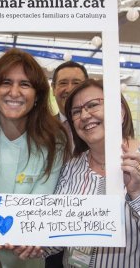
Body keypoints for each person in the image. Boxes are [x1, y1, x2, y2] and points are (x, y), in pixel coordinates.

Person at [44, 78, 140, 267]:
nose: (84, 115)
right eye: (76, 112)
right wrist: (33, 244)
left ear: (121, 112)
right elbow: (58, 236)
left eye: (92, 105)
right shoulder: (71, 168)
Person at [0, 48, 71, 268]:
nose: (14, 92)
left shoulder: (54, 141)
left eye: (25, 84)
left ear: (37, 95)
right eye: (6, 82)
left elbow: (38, 206)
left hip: (24, 257)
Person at [47, 61, 88, 268]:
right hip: (46, 229)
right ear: (53, 89)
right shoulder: (40, 128)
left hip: (88, 227)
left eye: (77, 82)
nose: (69, 89)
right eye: (63, 83)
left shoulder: (102, 129)